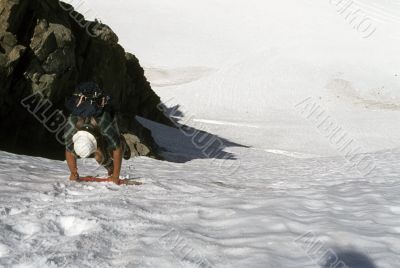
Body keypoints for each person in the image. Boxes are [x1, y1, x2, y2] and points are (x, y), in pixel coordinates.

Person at [64, 82, 130, 184]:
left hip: (104, 118)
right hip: (92, 128)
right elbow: (69, 151)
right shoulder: (71, 126)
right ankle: (110, 168)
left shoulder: (104, 123)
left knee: (114, 145)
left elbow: (117, 149)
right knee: (99, 157)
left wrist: (116, 177)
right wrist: (73, 172)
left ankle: (122, 142)